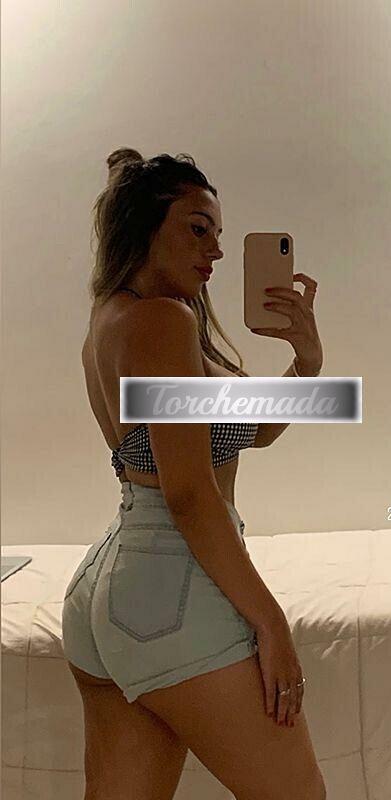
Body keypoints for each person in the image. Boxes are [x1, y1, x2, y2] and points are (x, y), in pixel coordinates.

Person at [61, 148, 326, 800]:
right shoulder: (163, 320)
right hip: (172, 584)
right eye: (197, 228)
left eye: (219, 234)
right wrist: (270, 622)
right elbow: (187, 494)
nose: (216, 251)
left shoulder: (116, 314)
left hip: (114, 588)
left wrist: (306, 363)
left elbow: (254, 430)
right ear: (144, 227)